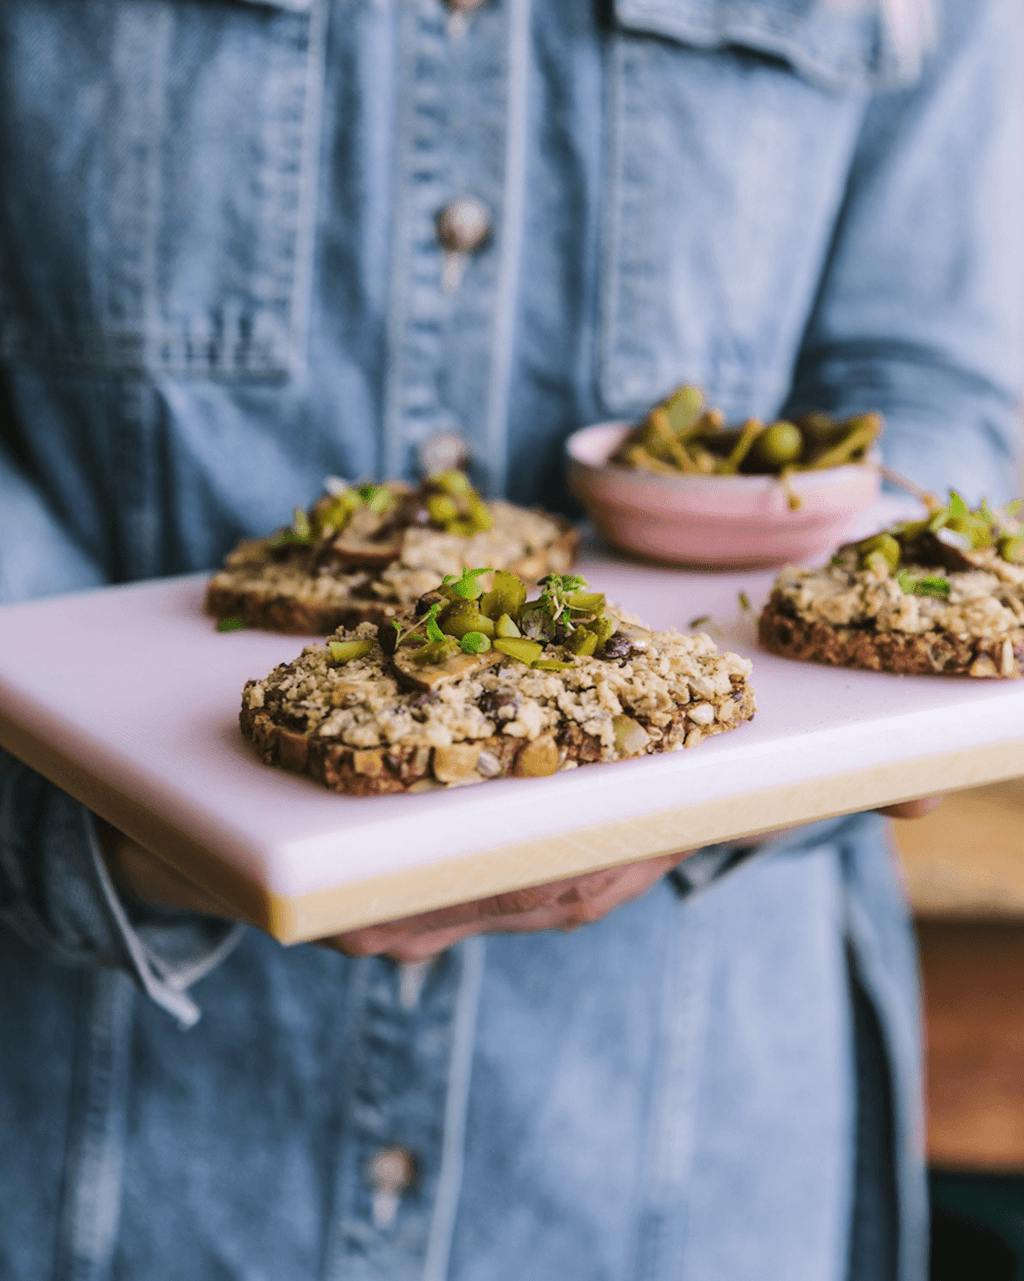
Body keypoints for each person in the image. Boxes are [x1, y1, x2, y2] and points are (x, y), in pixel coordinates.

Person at [0, 0, 1021, 1277]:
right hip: (100, 1120)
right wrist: (104, 789)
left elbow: (929, 380)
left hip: (684, 1139)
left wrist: (779, 740)